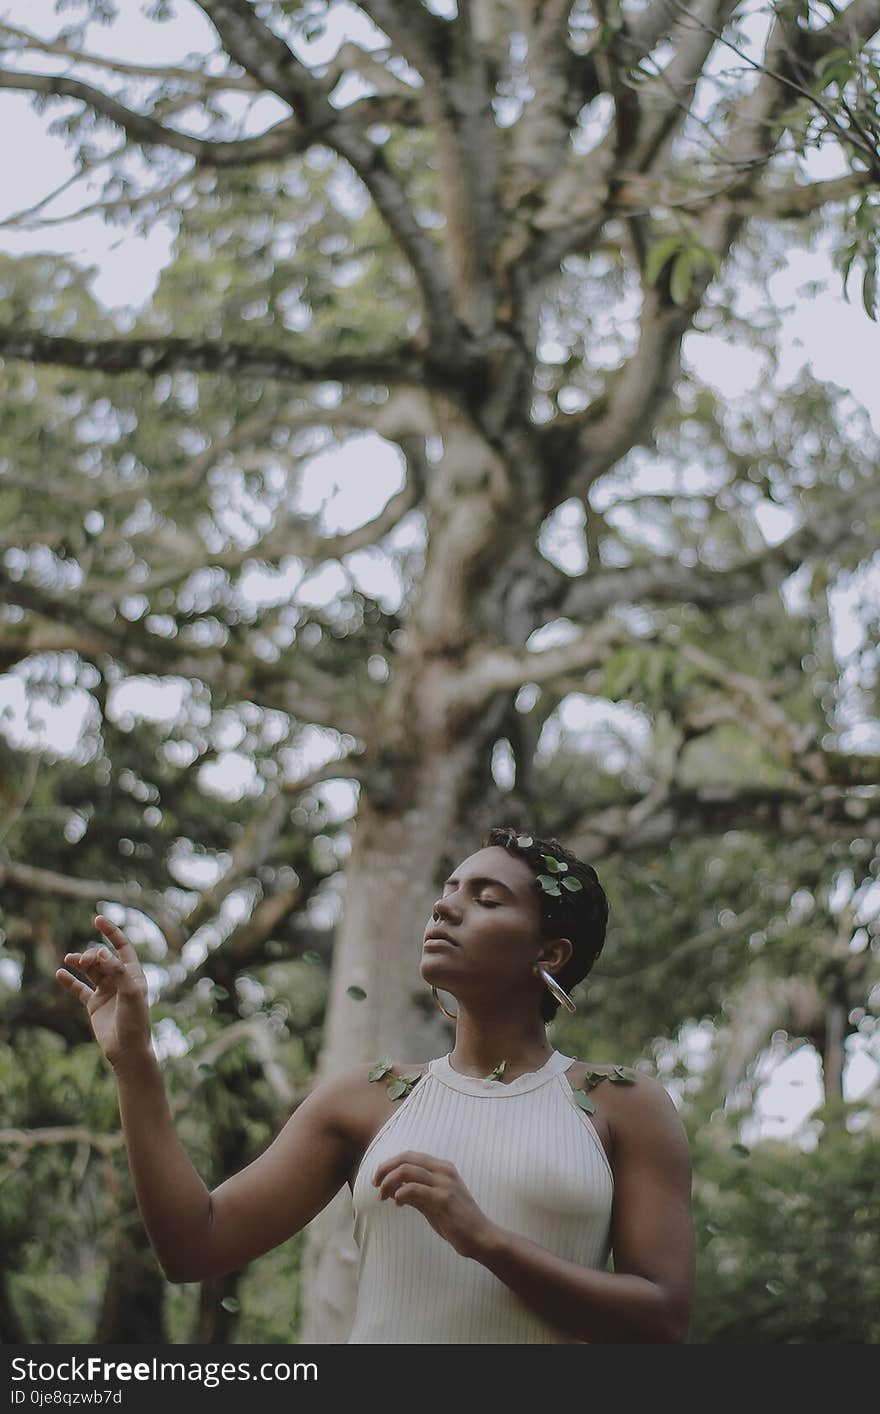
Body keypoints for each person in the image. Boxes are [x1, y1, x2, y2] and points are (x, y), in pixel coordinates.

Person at [55, 825, 695, 1344]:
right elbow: (193, 1247)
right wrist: (136, 1061)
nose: (445, 905)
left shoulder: (624, 1105)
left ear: (548, 954)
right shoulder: (362, 1099)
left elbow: (661, 1319)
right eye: (448, 890)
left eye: (487, 899)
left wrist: (487, 1240)